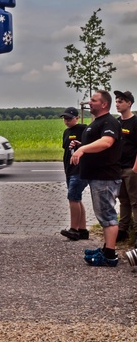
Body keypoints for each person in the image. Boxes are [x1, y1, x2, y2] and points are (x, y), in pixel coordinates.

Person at [70, 90, 122, 267]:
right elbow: (97, 144)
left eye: (93, 100)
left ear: (104, 104)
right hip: (97, 177)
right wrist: (81, 145)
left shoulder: (109, 121)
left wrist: (82, 150)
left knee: (107, 215)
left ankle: (110, 255)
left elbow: (107, 142)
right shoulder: (97, 122)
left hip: (105, 177)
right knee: (103, 215)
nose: (89, 102)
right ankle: (107, 248)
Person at [59, 107, 89, 241]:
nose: (66, 121)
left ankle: (74, 229)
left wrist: (81, 144)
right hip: (69, 170)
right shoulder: (66, 132)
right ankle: (83, 230)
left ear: (77, 118)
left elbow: (90, 145)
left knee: (72, 197)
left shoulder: (84, 129)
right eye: (65, 119)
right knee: (77, 198)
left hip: (80, 169)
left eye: (69, 119)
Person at [113, 90, 137, 246]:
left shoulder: (135, 122)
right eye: (116, 100)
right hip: (117, 168)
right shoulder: (116, 122)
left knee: (135, 202)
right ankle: (122, 230)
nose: (117, 103)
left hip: (131, 169)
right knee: (123, 201)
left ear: (129, 103)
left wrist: (135, 168)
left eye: (121, 101)